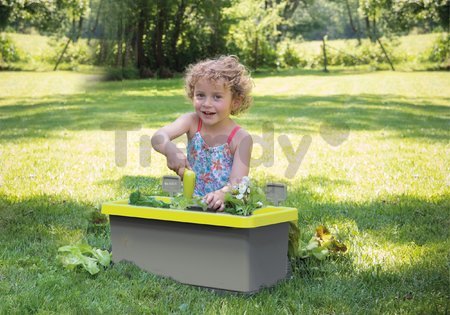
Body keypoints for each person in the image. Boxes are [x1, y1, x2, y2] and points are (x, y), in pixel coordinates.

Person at [151, 55, 253, 211]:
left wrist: (223, 194)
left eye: (217, 97)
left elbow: (238, 184)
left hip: (223, 209)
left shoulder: (241, 138)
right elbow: (158, 137)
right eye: (200, 95)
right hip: (191, 204)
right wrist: (169, 149)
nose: (207, 104)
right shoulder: (191, 122)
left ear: (235, 102)